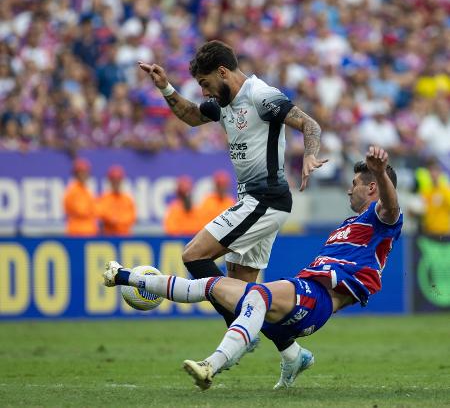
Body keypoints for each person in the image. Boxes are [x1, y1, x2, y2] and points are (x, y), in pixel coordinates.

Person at [104, 146, 402, 390]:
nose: (349, 191)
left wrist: (379, 171)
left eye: (354, 185)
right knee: (211, 287)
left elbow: (390, 207)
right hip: (307, 294)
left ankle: (211, 365)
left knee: (257, 296)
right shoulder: (350, 224)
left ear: (372, 187)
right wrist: (124, 278)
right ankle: (123, 276)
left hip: (319, 298)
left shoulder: (380, 221)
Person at [138, 40, 327, 356]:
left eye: (206, 83)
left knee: (194, 256)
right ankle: (292, 352)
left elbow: (310, 124)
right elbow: (192, 115)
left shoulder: (260, 96)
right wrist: (166, 88)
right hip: (255, 201)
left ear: (223, 72)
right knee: (242, 291)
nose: (205, 92)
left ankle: (242, 332)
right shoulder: (224, 102)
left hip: (265, 199)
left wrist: (309, 155)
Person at [411, 157, 450, 237]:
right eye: (431, 171)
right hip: (428, 232)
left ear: (440, 173)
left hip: (443, 232)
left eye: (435, 171)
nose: (433, 174)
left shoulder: (446, 191)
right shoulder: (425, 192)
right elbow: (421, 210)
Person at [97, 165, 137, 236]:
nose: (116, 183)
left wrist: (117, 220)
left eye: (118, 180)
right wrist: (113, 219)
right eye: (114, 181)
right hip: (109, 235)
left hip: (125, 235)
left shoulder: (127, 199)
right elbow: (102, 213)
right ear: (110, 181)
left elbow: (131, 217)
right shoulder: (104, 198)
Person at [63, 157, 98, 236]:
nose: (84, 175)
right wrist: (95, 209)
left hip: (89, 231)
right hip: (77, 232)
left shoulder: (85, 190)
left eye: (85, 172)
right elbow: (81, 211)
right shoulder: (73, 190)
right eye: (81, 172)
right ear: (76, 174)